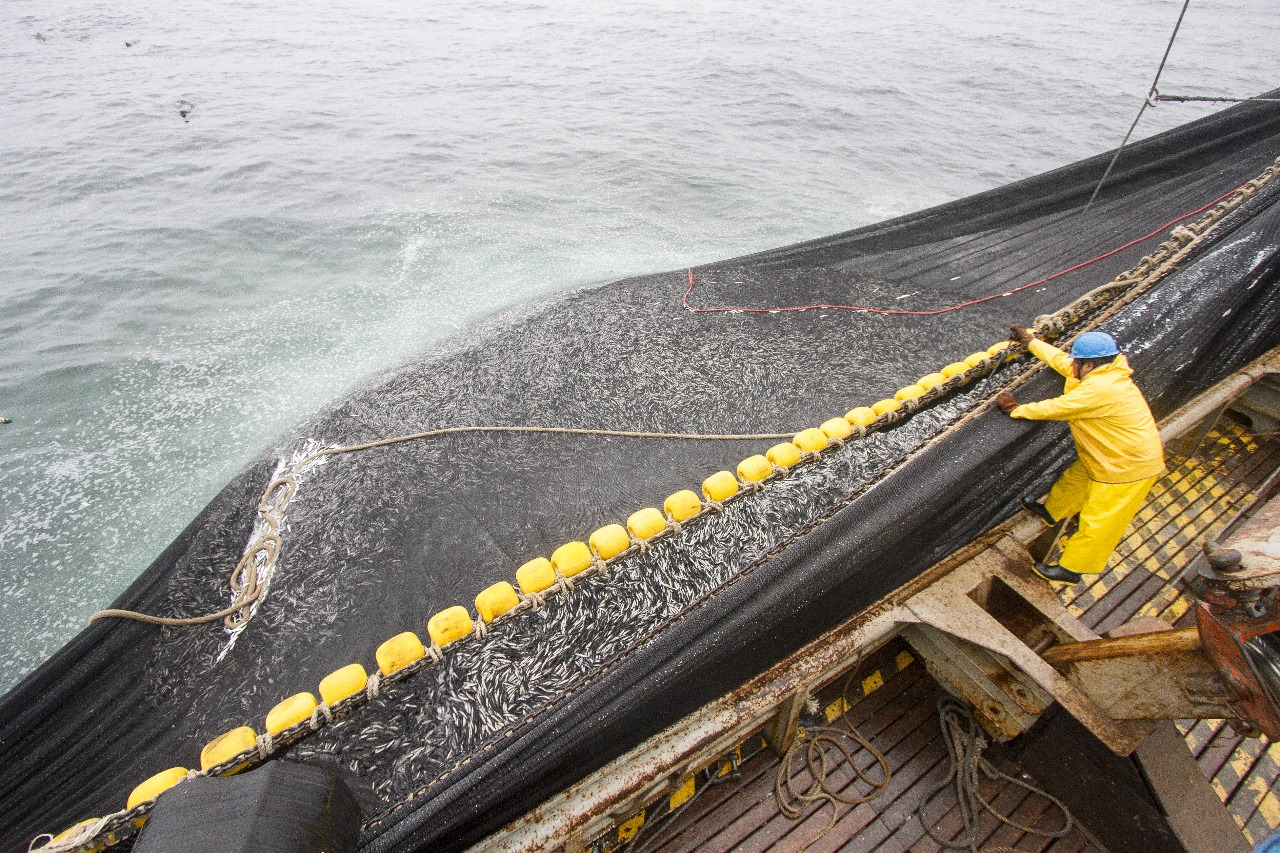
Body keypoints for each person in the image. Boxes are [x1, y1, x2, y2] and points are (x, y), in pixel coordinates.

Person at [995, 326, 1165, 583]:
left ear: (1089, 365)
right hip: (1109, 454)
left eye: (1078, 362)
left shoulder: (1102, 389)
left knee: (1100, 520)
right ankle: (1052, 512)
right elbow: (1060, 361)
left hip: (1129, 466)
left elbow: (1059, 407)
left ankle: (1072, 569)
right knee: (1076, 480)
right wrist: (1031, 342)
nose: (1072, 364)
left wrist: (1016, 410)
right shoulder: (1103, 372)